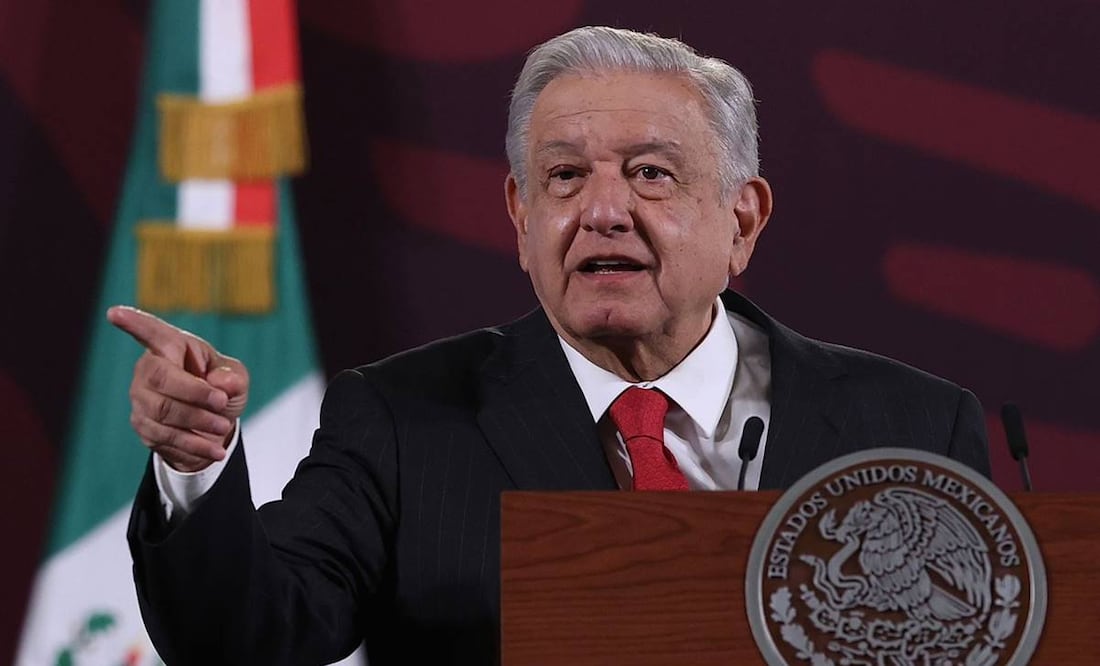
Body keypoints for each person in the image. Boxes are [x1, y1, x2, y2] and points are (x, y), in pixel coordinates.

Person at [111, 26, 990, 665]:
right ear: (522, 216)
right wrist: (194, 469)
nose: (603, 210)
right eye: (565, 176)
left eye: (652, 172)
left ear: (742, 219)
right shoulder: (402, 418)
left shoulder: (912, 424)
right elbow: (249, 636)